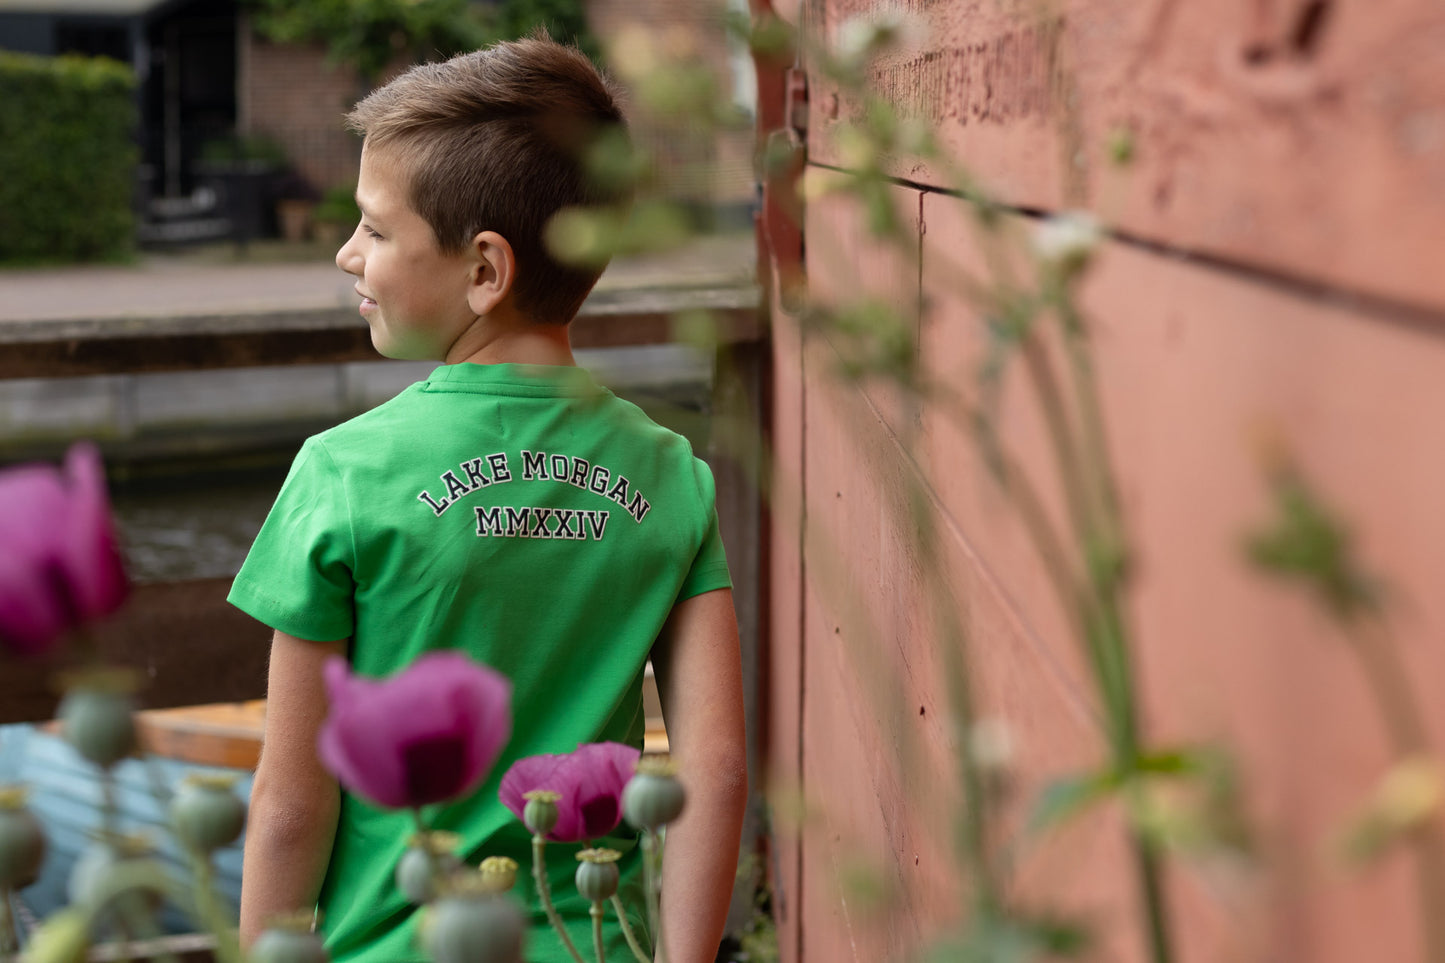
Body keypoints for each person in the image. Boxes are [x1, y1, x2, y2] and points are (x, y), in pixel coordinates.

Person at [227, 34, 747, 963]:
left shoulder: (342, 471)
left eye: (374, 229)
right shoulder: (671, 472)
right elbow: (714, 770)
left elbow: (293, 803)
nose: (347, 254)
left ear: (483, 272)